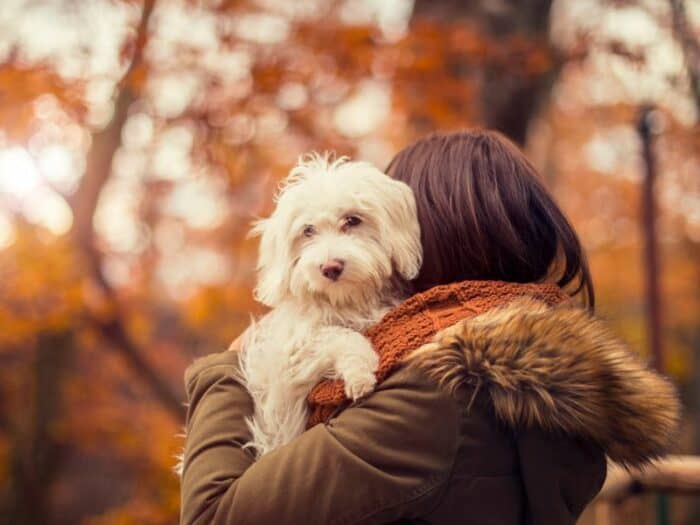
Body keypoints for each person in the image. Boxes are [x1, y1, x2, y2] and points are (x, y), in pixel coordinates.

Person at [179, 130, 680, 525]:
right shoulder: (534, 375)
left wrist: (228, 371)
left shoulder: (437, 395)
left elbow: (215, 516)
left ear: (430, 233)